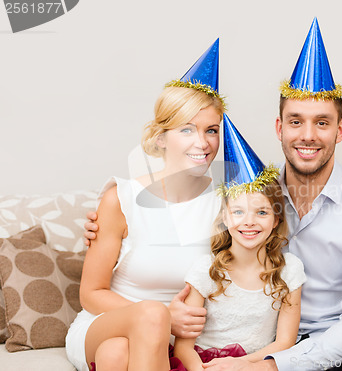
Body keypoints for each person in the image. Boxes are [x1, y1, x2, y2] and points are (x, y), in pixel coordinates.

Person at [86, 19, 342, 371]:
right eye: (295, 121)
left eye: (322, 123)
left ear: (339, 130)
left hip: (335, 337)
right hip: (262, 338)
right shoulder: (249, 196)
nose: (307, 135)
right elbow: (175, 211)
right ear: (279, 128)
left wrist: (267, 365)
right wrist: (106, 222)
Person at [66, 40, 226, 371]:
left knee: (116, 356)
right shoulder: (121, 199)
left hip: (176, 336)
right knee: (150, 313)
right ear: (160, 138)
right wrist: (163, 316)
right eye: (187, 129)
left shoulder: (227, 203)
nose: (204, 142)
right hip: (108, 319)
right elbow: (91, 293)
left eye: (212, 130)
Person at [173, 114, 306, 371]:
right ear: (224, 217)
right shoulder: (205, 271)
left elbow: (285, 342)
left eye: (262, 212)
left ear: (277, 218)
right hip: (201, 366)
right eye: (238, 212)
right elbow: (183, 348)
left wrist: (238, 365)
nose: (249, 222)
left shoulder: (290, 270)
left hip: (253, 365)